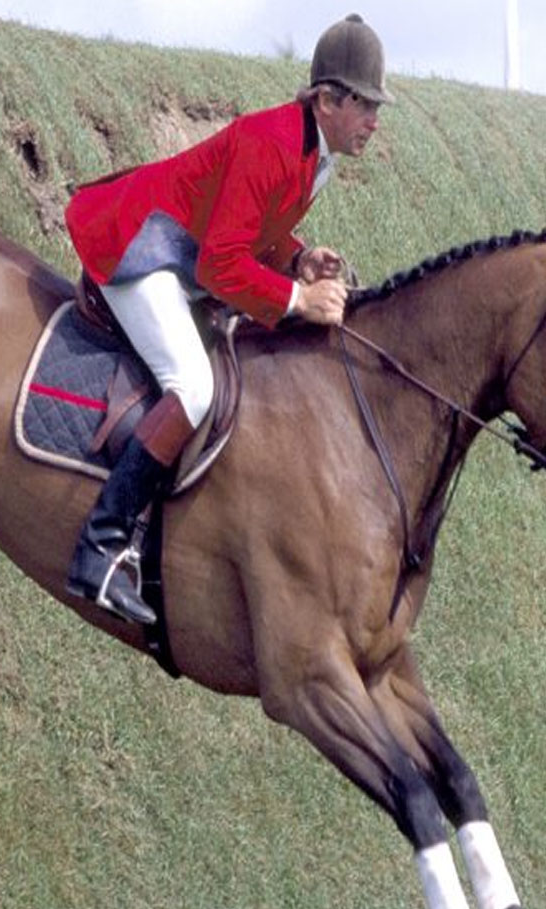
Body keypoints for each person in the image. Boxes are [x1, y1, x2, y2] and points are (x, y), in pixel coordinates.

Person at [64, 13, 392, 625]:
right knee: (195, 388)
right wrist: (298, 299)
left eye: (376, 106)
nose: (375, 121)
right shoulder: (271, 141)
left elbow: (249, 226)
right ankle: (100, 546)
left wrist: (296, 255)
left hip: (181, 251)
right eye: (366, 105)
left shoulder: (313, 152)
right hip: (139, 247)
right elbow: (219, 266)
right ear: (326, 100)